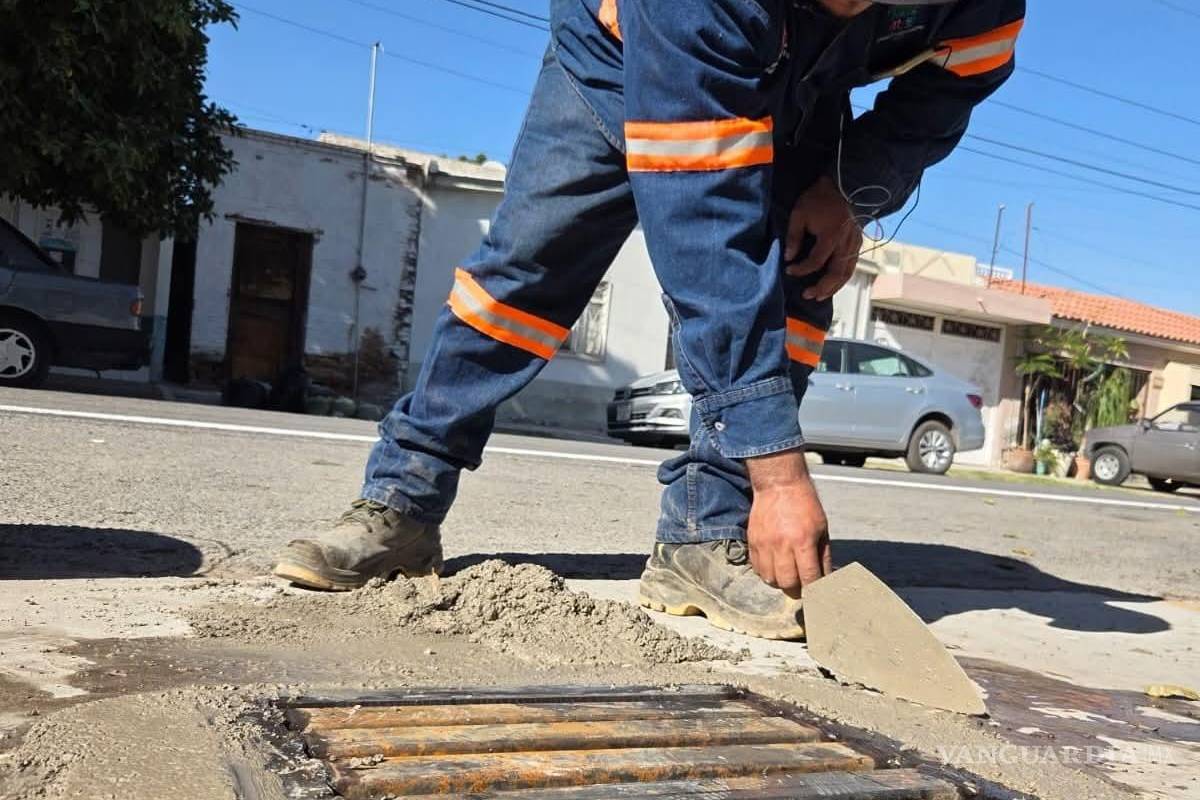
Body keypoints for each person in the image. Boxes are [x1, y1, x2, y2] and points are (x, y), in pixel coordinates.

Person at [274, 0, 1025, 640]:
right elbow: (707, 238)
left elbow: (963, 75)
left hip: (797, 90)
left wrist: (849, 185)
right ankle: (403, 500)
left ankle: (704, 534)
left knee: (796, 281)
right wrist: (779, 474)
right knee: (526, 276)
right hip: (618, 51)